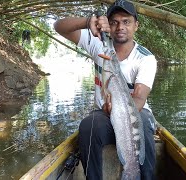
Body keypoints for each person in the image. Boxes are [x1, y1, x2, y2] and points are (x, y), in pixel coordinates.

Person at [54, 0, 157, 179]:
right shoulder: (98, 44)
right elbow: (59, 27)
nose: (120, 27)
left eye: (126, 22)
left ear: (136, 26)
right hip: (103, 113)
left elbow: (139, 98)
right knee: (88, 126)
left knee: (144, 126)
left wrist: (117, 108)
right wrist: (87, 22)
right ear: (108, 25)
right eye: (114, 22)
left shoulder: (145, 58)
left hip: (135, 113)